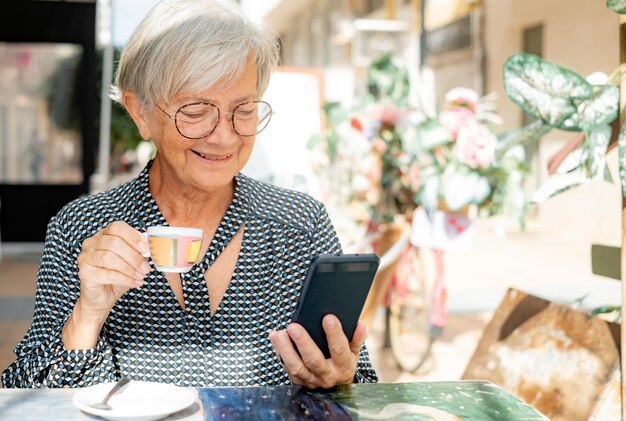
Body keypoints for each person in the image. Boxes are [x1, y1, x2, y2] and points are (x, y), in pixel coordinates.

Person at [1, 0, 378, 388]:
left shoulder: (301, 225)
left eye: (244, 109)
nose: (225, 135)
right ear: (140, 113)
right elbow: (25, 397)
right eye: (197, 110)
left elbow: (361, 383)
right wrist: (87, 315)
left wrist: (340, 380)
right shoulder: (80, 228)